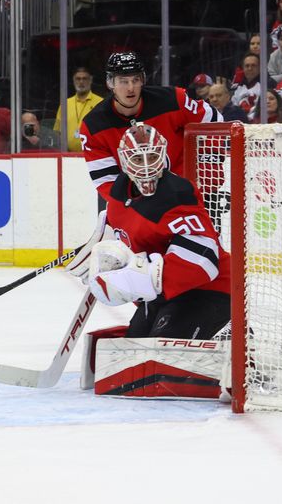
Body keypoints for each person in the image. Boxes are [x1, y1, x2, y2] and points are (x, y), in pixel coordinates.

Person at [68, 123, 231, 341]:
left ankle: (228, 330)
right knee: (133, 352)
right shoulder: (119, 191)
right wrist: (103, 250)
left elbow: (203, 261)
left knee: (160, 355)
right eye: (137, 159)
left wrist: (136, 281)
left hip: (208, 289)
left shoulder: (177, 194)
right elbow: (125, 234)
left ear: (162, 154)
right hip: (163, 295)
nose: (146, 167)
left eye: (152, 157)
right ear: (124, 160)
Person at [79, 51, 223, 201]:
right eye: (123, 81)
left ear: (143, 80)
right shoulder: (94, 126)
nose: (130, 87)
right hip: (137, 204)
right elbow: (107, 182)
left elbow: (215, 121)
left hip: (187, 195)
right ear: (110, 83)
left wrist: (209, 161)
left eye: (135, 79)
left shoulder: (173, 100)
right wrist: (135, 204)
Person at [53, 67, 103, 152]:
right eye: (78, 79)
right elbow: (58, 132)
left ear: (90, 80)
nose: (81, 82)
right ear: (73, 80)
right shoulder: (65, 104)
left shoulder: (100, 103)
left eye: (84, 79)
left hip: (93, 156)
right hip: (67, 156)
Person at [231, 52, 264, 122]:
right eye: (247, 66)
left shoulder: (267, 85)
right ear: (243, 68)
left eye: (253, 65)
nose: (250, 68)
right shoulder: (237, 88)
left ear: (260, 67)